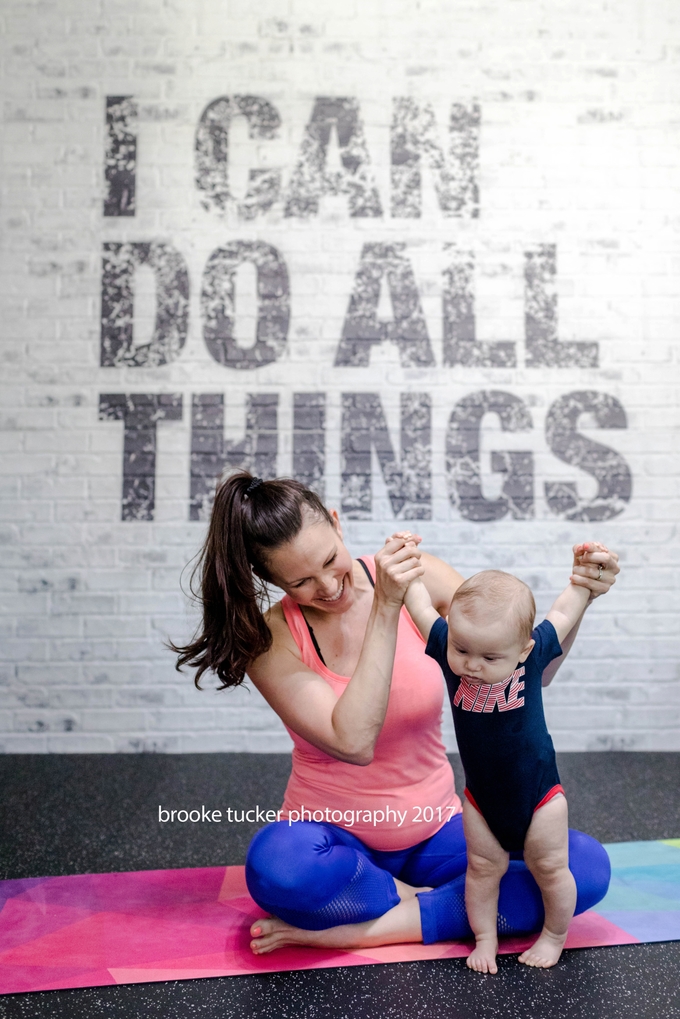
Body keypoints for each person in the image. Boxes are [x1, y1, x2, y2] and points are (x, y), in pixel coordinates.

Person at [171, 472, 619, 956]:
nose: (328, 586)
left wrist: (583, 593)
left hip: (438, 829)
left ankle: (368, 926)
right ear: (271, 579)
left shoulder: (418, 573)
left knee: (584, 867)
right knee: (277, 867)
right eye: (300, 581)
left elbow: (524, 670)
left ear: (337, 525)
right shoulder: (269, 638)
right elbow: (354, 741)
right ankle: (442, 909)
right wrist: (386, 607)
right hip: (334, 842)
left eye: (329, 561)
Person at [404, 548, 604, 971]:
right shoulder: (447, 649)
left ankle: (553, 936)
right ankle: (484, 938)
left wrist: (583, 582)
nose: (471, 666)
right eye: (462, 650)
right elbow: (419, 605)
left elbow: (563, 610)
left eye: (489, 658)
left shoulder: (533, 655)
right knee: (482, 869)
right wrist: (406, 569)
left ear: (523, 649)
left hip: (540, 796)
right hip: (481, 798)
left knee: (551, 867)